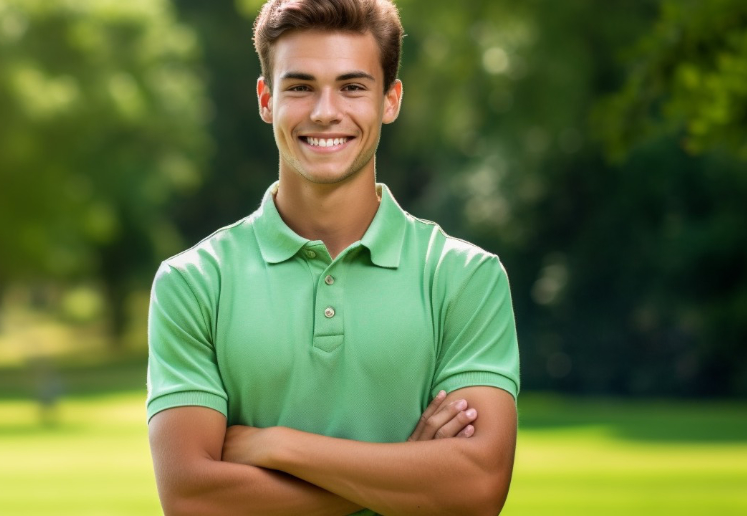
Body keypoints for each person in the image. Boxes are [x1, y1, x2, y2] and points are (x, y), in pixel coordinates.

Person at [145, 0, 521, 514]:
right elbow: (192, 498)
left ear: (390, 100)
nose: (325, 111)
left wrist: (278, 445)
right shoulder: (193, 282)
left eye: (352, 86)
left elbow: (478, 488)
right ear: (265, 99)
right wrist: (407, 475)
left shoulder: (464, 277)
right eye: (300, 87)